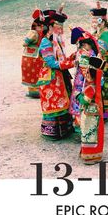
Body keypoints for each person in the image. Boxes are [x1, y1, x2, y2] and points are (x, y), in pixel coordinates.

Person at [36, 8, 74, 140]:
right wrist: (69, 64)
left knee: (64, 100)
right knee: (54, 102)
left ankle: (65, 128)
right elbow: (51, 63)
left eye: (62, 26)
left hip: (61, 75)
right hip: (51, 77)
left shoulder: (57, 41)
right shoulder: (46, 42)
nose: (61, 29)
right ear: (51, 27)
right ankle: (52, 132)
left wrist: (72, 58)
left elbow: (62, 58)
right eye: (58, 26)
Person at [68, 27, 100, 133]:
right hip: (82, 81)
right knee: (81, 104)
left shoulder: (87, 54)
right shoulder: (86, 53)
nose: (82, 47)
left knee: (81, 104)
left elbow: (87, 71)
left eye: (84, 44)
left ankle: (81, 128)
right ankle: (80, 127)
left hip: (84, 83)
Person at [76, 56, 105, 164]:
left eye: (88, 73)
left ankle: (89, 155)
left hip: (89, 115)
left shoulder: (90, 88)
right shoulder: (94, 87)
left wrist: (78, 96)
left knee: (88, 133)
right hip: (93, 114)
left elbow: (85, 101)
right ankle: (93, 154)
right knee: (92, 134)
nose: (86, 75)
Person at [90, 3, 108, 120]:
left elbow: (100, 49)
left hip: (103, 64)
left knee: (104, 87)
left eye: (96, 22)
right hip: (98, 62)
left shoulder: (105, 35)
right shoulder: (98, 33)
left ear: (102, 21)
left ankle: (104, 114)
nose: (94, 24)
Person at [21, 9, 45, 98]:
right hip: (35, 56)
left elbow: (24, 43)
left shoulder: (33, 32)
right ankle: (36, 91)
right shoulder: (38, 33)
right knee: (35, 72)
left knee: (32, 72)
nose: (42, 27)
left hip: (31, 56)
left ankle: (34, 92)